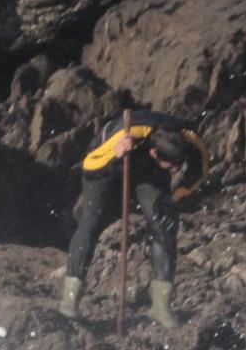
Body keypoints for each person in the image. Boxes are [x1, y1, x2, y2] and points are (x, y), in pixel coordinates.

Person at [59, 108, 208, 328]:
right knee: (91, 222)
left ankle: (160, 307)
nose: (176, 170)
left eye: (179, 166)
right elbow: (90, 165)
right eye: (173, 167)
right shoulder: (124, 132)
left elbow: (200, 171)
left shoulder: (190, 140)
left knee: (163, 223)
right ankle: (69, 301)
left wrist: (174, 199)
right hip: (107, 158)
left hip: (147, 168)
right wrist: (116, 154)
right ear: (155, 153)